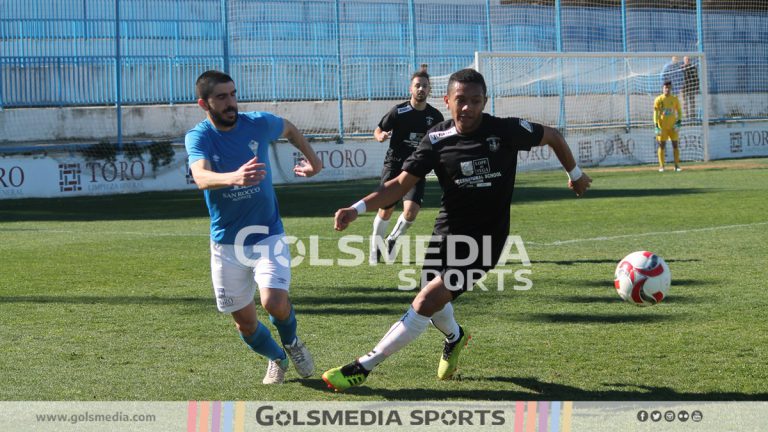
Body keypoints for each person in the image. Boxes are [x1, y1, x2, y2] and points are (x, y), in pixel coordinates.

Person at [321, 68, 592, 391]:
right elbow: (399, 185)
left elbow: (553, 136)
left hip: (487, 241)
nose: (468, 108)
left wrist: (575, 174)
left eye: (475, 101)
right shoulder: (436, 139)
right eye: (461, 100)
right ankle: (455, 336)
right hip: (447, 233)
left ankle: (363, 366)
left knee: (425, 301)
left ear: (485, 101)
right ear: (447, 101)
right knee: (433, 305)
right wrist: (357, 208)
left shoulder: (505, 131)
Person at [185, 70, 322, 384]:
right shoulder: (199, 136)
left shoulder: (257, 123)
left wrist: (314, 161)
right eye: (221, 97)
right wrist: (234, 177)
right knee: (245, 325)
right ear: (203, 103)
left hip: (267, 235)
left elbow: (288, 127)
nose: (231, 102)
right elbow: (201, 177)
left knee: (273, 301)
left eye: (232, 94)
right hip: (226, 244)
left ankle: (293, 342)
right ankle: (277, 357)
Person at [369, 64, 444, 264]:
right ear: (411, 89)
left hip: (417, 167)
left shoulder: (436, 117)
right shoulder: (399, 111)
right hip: (394, 165)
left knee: (411, 212)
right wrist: (381, 136)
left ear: (429, 90)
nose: (421, 89)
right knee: (386, 209)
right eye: (417, 85)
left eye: (424, 86)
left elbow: (440, 142)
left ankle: (392, 240)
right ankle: (375, 247)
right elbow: (377, 130)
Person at [654, 81, 683, 172]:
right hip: (662, 127)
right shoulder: (658, 99)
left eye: (669, 87)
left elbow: (679, 111)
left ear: (671, 88)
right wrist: (656, 125)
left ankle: (677, 166)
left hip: (673, 127)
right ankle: (662, 166)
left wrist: (679, 121)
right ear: (663, 88)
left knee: (675, 145)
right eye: (666, 87)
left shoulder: (674, 99)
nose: (667, 89)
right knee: (662, 146)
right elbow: (655, 113)